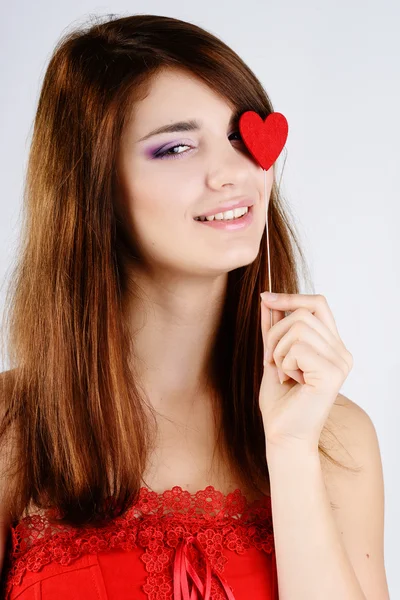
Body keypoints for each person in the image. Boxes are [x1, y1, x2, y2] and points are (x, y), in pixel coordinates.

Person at [0, 13, 389, 600]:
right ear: (93, 187)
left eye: (240, 137)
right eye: (176, 147)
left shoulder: (337, 438)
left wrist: (289, 451)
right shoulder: (13, 429)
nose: (232, 171)